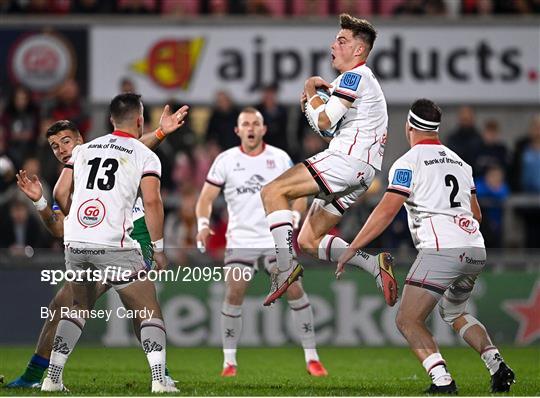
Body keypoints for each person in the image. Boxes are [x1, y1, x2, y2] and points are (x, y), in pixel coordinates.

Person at [336, 98, 515, 394]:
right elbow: (477, 213)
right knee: (455, 312)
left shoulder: (407, 163)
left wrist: (353, 247)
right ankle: (497, 365)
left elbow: (386, 211)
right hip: (474, 247)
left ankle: (442, 381)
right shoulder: (461, 163)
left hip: (441, 249)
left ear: (408, 127)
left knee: (408, 319)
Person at [7, 106, 188, 389]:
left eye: (66, 141)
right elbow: (60, 228)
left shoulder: (93, 155)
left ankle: (159, 374)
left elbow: (134, 148)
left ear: (80, 140)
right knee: (72, 305)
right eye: (54, 146)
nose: (61, 149)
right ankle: (37, 375)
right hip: (99, 241)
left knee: (132, 307)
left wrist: (162, 131)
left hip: (132, 231)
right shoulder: (70, 174)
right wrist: (40, 204)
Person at [260, 13, 397, 307]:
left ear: (359, 50)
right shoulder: (358, 82)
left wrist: (311, 90)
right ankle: (373, 265)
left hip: (346, 161)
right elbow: (329, 129)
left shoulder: (354, 76)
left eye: (342, 40)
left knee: (272, 191)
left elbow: (322, 120)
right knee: (309, 241)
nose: (334, 45)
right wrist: (312, 104)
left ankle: (284, 269)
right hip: (362, 171)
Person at [196, 107, 328, 377]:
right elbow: (205, 199)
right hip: (240, 240)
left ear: (264, 129)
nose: (251, 128)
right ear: (238, 130)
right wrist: (202, 225)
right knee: (234, 292)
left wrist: (293, 216)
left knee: (294, 289)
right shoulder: (226, 160)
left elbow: (300, 193)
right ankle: (229, 362)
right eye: (245, 124)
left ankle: (312, 357)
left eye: (256, 123)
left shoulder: (279, 158)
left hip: (273, 240)